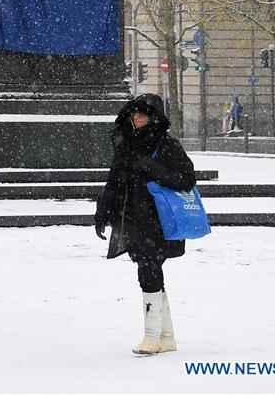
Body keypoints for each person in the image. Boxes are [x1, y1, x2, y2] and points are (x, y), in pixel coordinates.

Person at [95, 93, 196, 356]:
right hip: (133, 219)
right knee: (148, 271)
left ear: (153, 117)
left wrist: (151, 167)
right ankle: (166, 336)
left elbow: (186, 179)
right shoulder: (126, 145)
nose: (136, 118)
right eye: (133, 114)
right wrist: (103, 211)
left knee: (148, 271)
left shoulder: (167, 146)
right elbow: (115, 181)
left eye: (142, 114)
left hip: (158, 220)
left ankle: (152, 337)